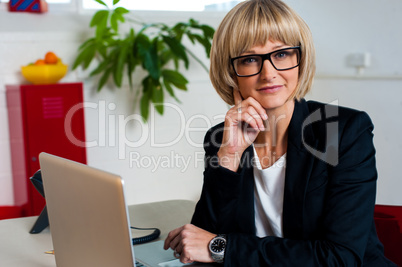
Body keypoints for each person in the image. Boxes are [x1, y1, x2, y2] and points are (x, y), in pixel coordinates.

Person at [164, 0, 397, 266]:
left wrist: (225, 248)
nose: (269, 73)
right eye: (250, 59)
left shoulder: (343, 131)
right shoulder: (222, 137)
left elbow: (340, 257)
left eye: (282, 54)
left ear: (300, 59)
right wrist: (230, 153)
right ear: (231, 71)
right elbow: (202, 243)